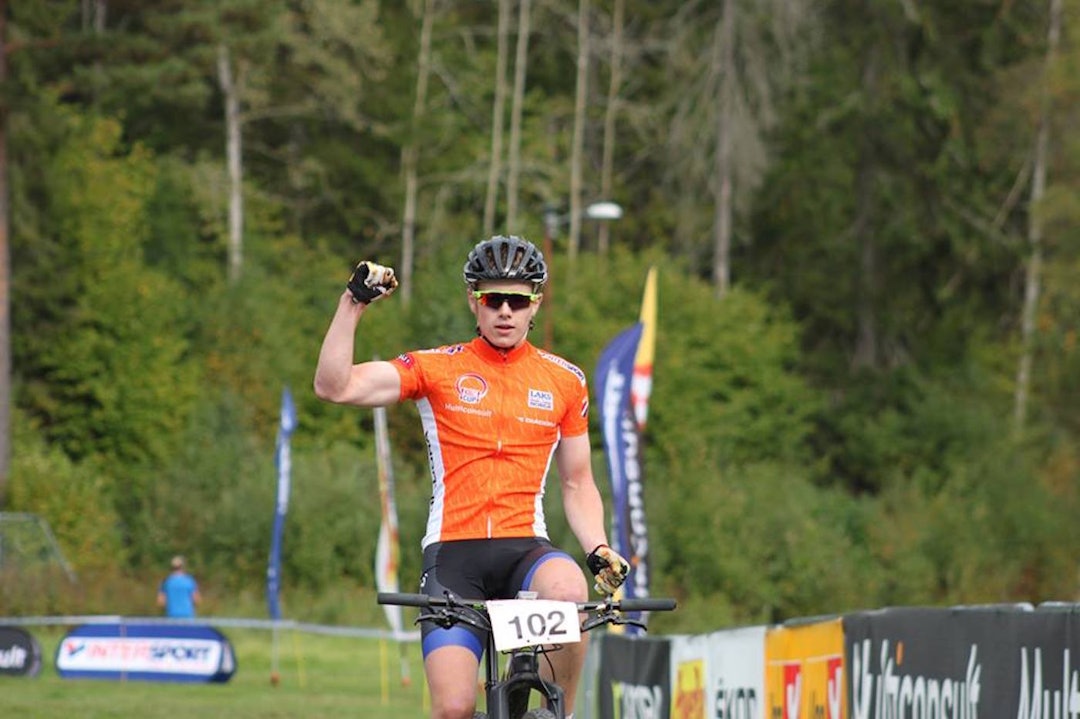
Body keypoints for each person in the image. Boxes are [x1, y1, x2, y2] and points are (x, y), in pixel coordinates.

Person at [314, 235, 630, 719]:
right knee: (454, 709)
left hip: (525, 550)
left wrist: (597, 547)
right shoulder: (436, 367)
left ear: (535, 304)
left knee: (569, 589)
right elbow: (333, 386)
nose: (504, 311)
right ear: (473, 301)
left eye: (517, 301)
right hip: (453, 558)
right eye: (492, 299)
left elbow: (577, 482)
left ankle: (555, 714)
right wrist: (353, 303)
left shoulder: (565, 380)